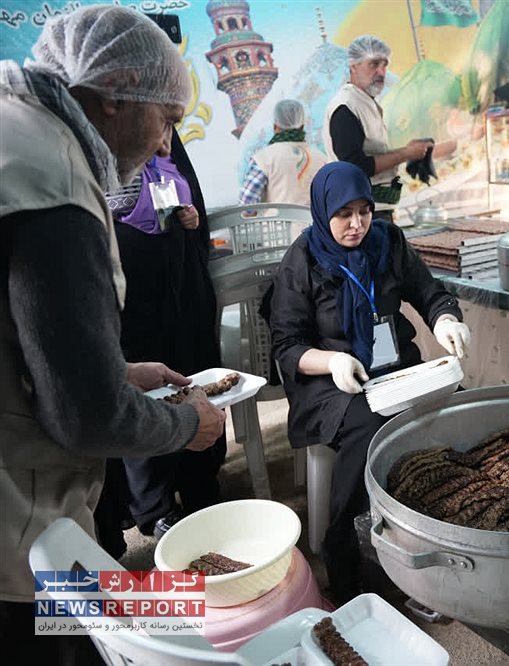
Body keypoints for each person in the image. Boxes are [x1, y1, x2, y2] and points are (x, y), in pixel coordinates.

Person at [0, 5, 226, 662]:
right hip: (16, 525)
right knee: (79, 639)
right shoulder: (54, 184)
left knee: (123, 618)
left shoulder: (18, 135)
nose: (165, 144)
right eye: (166, 118)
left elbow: (26, 341)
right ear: (117, 92)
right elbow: (87, 416)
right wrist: (188, 426)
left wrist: (118, 371)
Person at [268, 161, 470, 602]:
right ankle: (345, 553)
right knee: (371, 427)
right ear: (323, 212)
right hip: (332, 382)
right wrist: (332, 361)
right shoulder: (303, 260)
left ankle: (448, 526)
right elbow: (287, 346)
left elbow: (430, 292)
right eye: (344, 214)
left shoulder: (388, 241)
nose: (357, 224)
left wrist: (445, 320)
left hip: (393, 367)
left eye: (364, 211)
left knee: (459, 406)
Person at [97, 123, 227, 552]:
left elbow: (186, 201)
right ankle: (154, 507)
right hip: (125, 298)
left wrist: (189, 218)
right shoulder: (90, 146)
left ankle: (199, 482)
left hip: (178, 285)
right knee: (142, 389)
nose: (166, 137)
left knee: (187, 376)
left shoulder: (161, 138)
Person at [323, 35, 446, 221]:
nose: (381, 72)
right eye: (374, 64)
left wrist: (410, 151)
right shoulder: (345, 106)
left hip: (376, 209)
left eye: (384, 65)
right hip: (360, 215)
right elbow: (354, 166)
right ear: (354, 66)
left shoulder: (365, 101)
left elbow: (373, 154)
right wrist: (406, 153)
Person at [239, 99, 327, 206]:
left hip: (275, 217)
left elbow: (247, 203)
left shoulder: (263, 158)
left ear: (275, 126)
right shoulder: (322, 159)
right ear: (302, 126)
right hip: (312, 217)